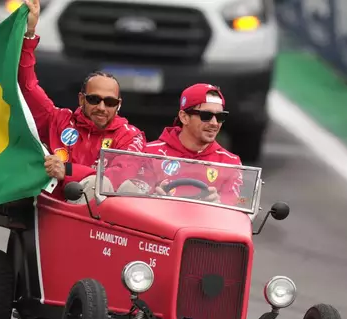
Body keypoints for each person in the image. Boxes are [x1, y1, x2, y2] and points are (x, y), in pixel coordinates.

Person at [20, 0, 145, 201]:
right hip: (50, 212)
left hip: (97, 222)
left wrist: (67, 170)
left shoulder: (130, 137)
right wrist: (29, 33)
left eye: (110, 102)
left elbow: (119, 178)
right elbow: (28, 85)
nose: (102, 107)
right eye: (94, 99)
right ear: (81, 99)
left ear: (119, 105)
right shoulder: (56, 120)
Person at [132, 83, 244, 205]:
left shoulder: (231, 163)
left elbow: (241, 204)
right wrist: (152, 197)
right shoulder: (149, 154)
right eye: (206, 115)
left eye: (220, 116)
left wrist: (220, 204)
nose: (214, 123)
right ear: (184, 117)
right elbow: (131, 202)